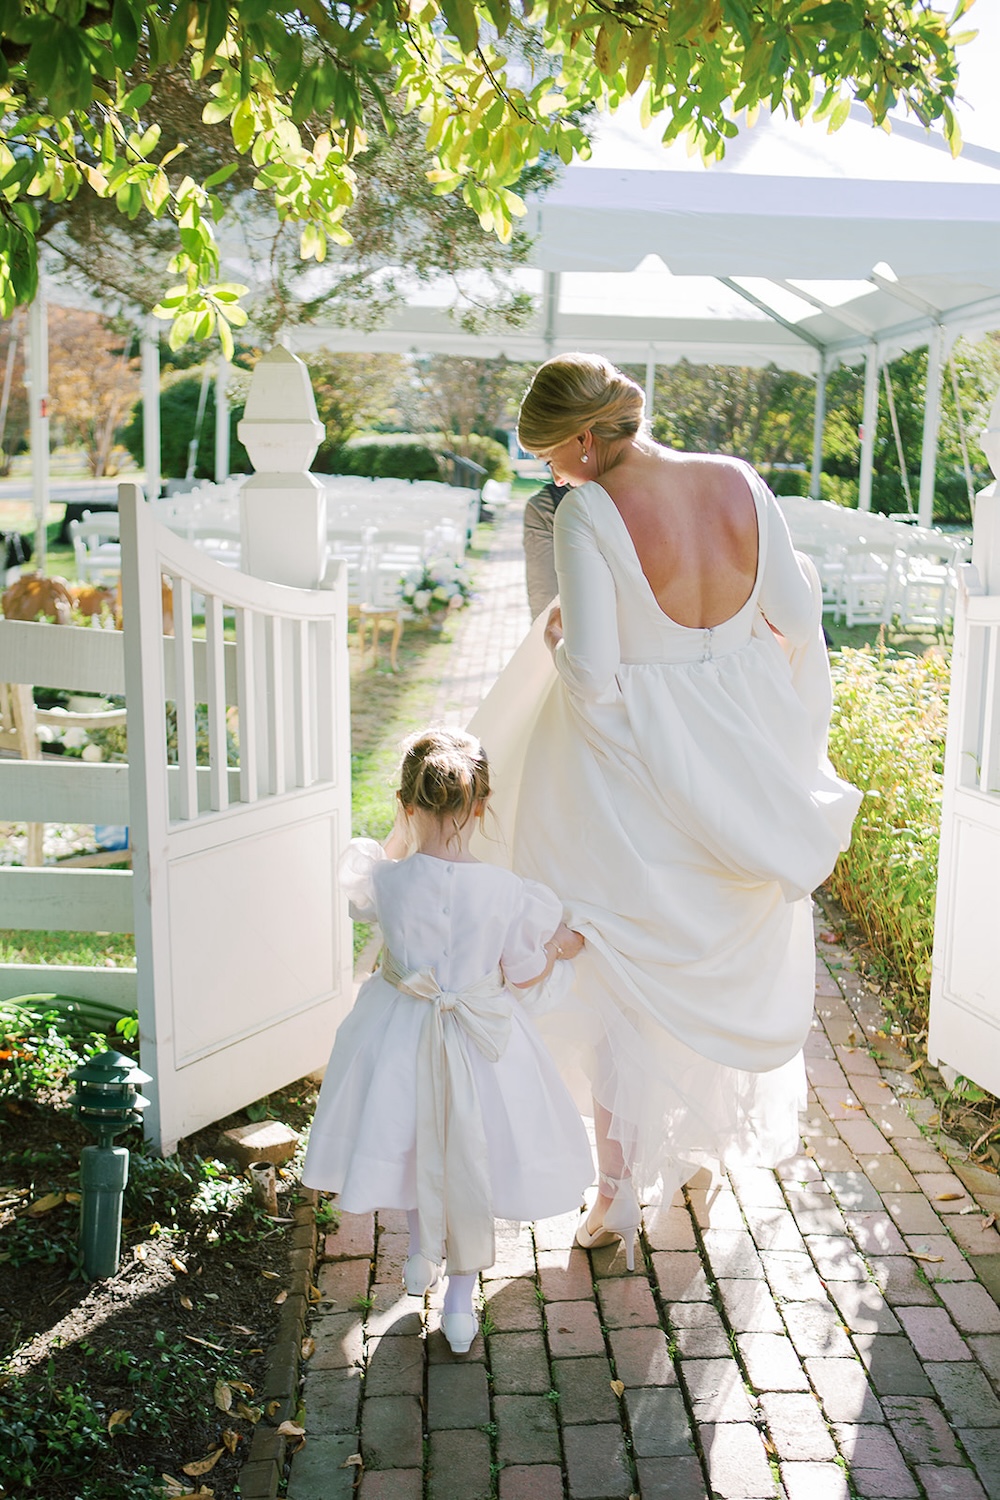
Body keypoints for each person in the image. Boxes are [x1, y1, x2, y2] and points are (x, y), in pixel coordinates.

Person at [471, 353, 861, 1270]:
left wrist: (561, 639)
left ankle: (614, 1193)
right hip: (741, 768)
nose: (550, 476)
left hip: (630, 775)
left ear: (581, 439)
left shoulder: (590, 511)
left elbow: (599, 678)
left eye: (547, 457)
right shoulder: (738, 479)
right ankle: (702, 1156)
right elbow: (799, 618)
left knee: (619, 964)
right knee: (712, 956)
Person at [301, 727, 592, 1354]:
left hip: (397, 1033)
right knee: (470, 1152)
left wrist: (403, 836)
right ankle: (460, 1295)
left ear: (406, 803)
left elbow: (364, 890)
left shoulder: (385, 879)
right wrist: (565, 946)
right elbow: (525, 970)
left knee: (408, 1137)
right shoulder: (509, 892)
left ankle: (419, 1251)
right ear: (480, 806)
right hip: (482, 1039)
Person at [523, 478, 570, 619]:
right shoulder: (545, 506)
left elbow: (545, 602)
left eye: (550, 461)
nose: (557, 477)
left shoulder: (545, 506)